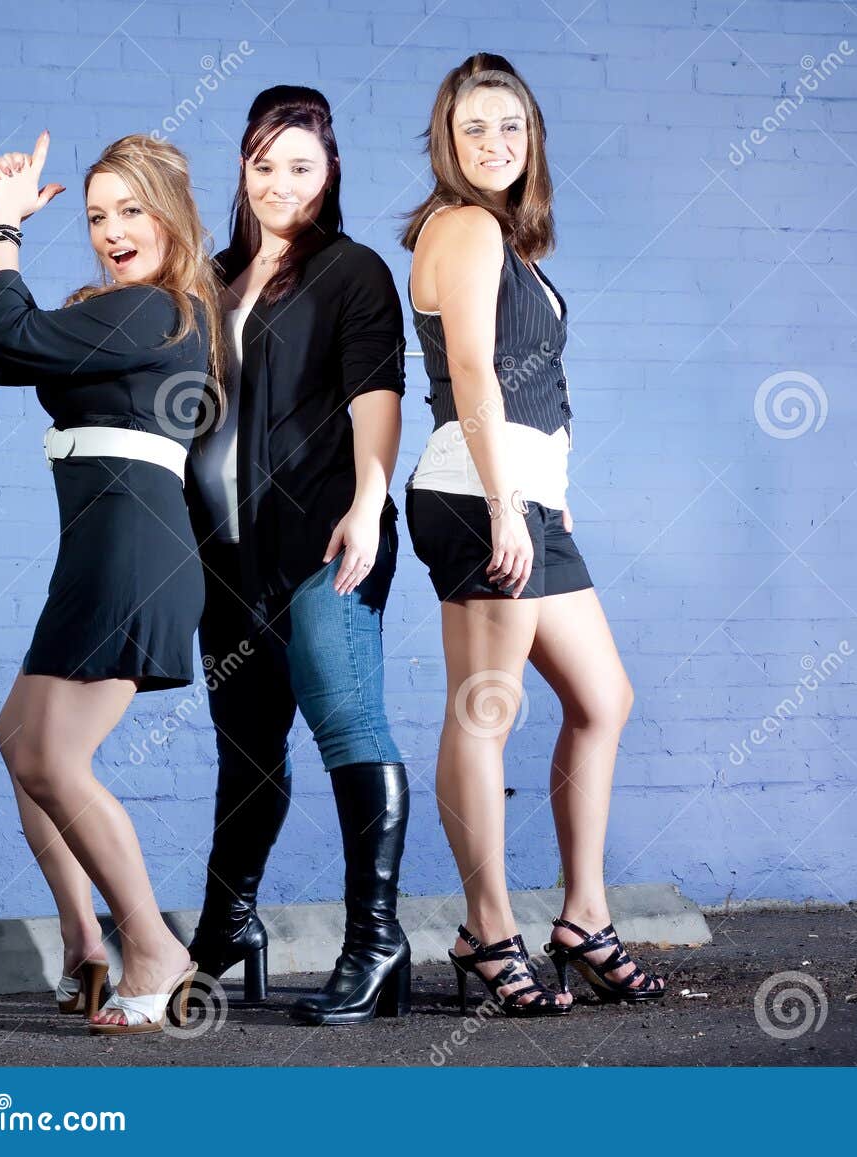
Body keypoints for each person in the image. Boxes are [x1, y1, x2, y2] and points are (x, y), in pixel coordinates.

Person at [402, 54, 667, 1015]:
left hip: (526, 494)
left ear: (533, 136)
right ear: (448, 140)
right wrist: (510, 505)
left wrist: (553, 494)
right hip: (478, 496)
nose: (494, 143)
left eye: (510, 125)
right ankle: (485, 929)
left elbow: (535, 387)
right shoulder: (464, 225)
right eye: (474, 128)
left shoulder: (511, 243)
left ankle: (583, 919)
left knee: (603, 698)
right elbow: (472, 369)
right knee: (486, 712)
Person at [0, 132, 226, 1036]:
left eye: (132, 209)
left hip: (132, 552)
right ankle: (86, 944)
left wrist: (1, 224)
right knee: (20, 740)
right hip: (96, 548)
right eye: (95, 215)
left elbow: (2, 336)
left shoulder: (158, 310)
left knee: (53, 758)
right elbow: (10, 354)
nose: (112, 229)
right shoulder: (127, 312)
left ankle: (155, 948)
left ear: (172, 215)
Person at [183, 85, 411, 1025]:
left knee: (349, 725)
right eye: (265, 165)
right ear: (244, 169)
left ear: (332, 172)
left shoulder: (351, 270)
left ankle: (377, 941)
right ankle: (226, 925)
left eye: (302, 166)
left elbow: (377, 393)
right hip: (227, 557)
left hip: (326, 538)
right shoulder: (212, 277)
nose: (282, 182)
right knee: (247, 752)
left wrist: (369, 503)